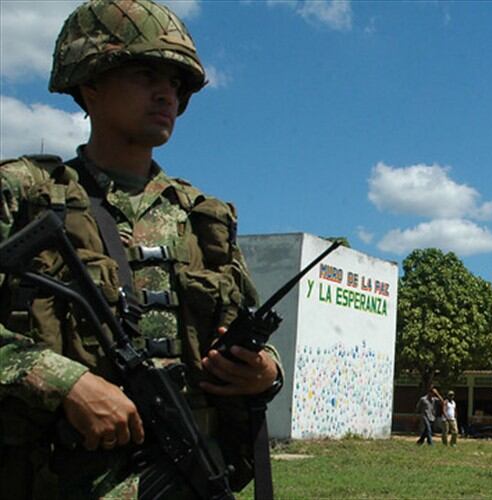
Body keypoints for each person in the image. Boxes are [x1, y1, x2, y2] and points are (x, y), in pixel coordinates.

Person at [0, 1, 283, 498]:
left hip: (187, 479)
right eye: (144, 74)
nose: (165, 94)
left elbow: (241, 329)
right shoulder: (26, 193)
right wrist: (63, 381)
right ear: (90, 82)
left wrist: (263, 372)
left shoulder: (202, 217)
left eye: (176, 84)